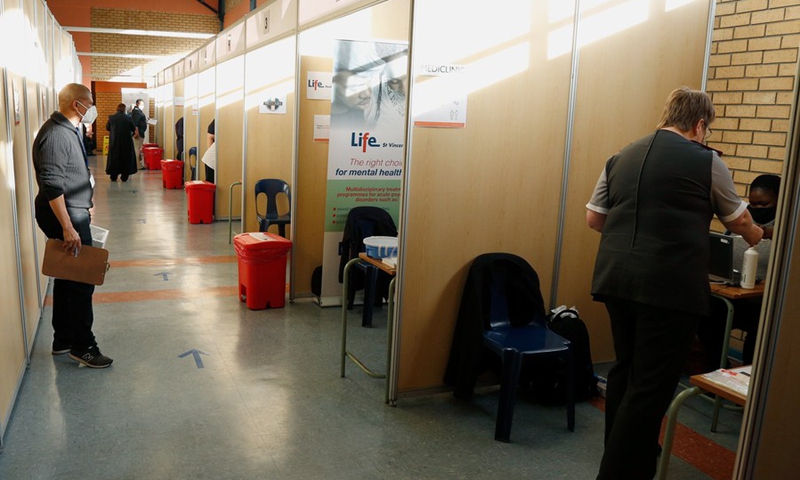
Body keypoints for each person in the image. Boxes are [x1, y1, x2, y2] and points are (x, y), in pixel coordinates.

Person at [585, 86, 762, 479]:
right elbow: (740, 222)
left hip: (616, 279)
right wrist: (763, 239)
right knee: (650, 386)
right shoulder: (706, 162)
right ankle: (617, 473)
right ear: (700, 125)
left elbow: (595, 219)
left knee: (626, 372)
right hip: (668, 289)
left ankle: (635, 455)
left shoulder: (620, 156)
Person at [31, 83, 113, 369]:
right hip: (64, 216)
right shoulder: (56, 135)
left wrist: (82, 205)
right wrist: (68, 225)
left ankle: (63, 339)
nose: (92, 108)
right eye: (89, 102)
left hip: (73, 212)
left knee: (67, 277)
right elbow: (52, 184)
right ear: (76, 104)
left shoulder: (67, 130)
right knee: (81, 281)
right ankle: (83, 346)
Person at [697, 173, 780, 371]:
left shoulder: (786, 228)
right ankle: (717, 371)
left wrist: (767, 233)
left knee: (759, 335)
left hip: (766, 304)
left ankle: (747, 385)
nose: (757, 209)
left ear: (780, 200)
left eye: (764, 205)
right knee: (705, 315)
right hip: (735, 297)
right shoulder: (743, 224)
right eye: (753, 204)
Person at [105, 103, 137, 182]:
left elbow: (107, 128)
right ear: (124, 109)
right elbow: (133, 128)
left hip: (114, 141)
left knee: (114, 158)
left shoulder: (111, 118)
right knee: (126, 158)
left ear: (117, 108)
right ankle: (124, 176)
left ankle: (113, 175)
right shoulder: (128, 118)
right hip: (126, 142)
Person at [131, 98, 148, 169]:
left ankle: (138, 163)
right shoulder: (136, 112)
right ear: (137, 104)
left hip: (141, 132)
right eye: (141, 104)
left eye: (143, 104)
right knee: (136, 149)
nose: (143, 106)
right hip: (138, 133)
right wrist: (136, 132)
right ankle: (137, 165)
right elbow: (135, 123)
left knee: (137, 148)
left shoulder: (139, 111)